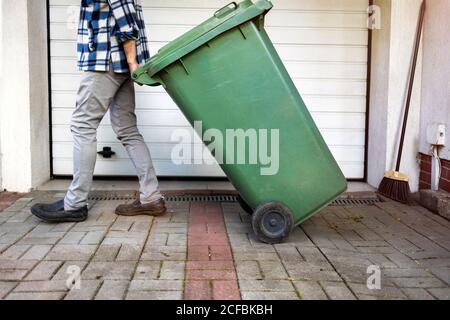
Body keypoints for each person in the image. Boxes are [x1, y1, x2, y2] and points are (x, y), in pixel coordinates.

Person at [31, 0, 166, 223]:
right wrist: (131, 62)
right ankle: (151, 197)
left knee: (82, 126)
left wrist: (132, 61)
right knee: (127, 130)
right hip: (118, 62)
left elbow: (126, 18)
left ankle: (74, 204)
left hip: (105, 62)